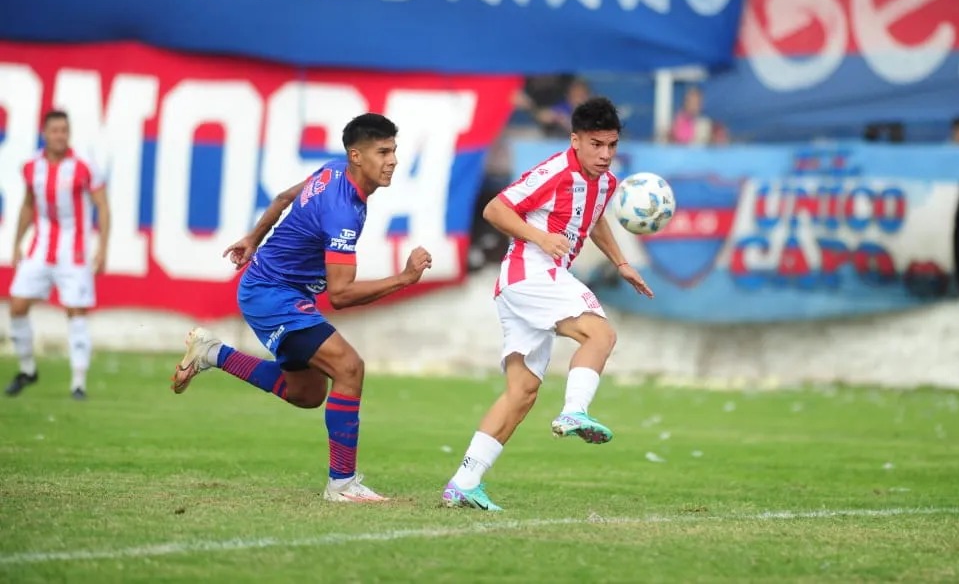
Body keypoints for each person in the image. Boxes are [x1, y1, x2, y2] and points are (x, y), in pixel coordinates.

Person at [170, 113, 432, 503]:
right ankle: (342, 485)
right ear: (356, 156)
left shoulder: (332, 170)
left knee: (307, 394)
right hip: (272, 293)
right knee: (349, 367)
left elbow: (282, 199)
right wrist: (404, 279)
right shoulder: (342, 212)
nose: (393, 159)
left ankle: (213, 353)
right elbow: (340, 295)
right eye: (383, 151)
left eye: (394, 150)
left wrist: (253, 238)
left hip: (277, 290)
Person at [441, 97, 653, 511]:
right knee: (600, 333)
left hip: (522, 285)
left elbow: (594, 220)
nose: (605, 155)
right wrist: (540, 238)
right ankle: (575, 411)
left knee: (521, 393)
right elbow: (494, 208)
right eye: (596, 144)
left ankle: (463, 483)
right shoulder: (555, 171)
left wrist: (622, 262)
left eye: (611, 145)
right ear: (575, 140)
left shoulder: (606, 182)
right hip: (532, 272)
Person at [6, 110, 110, 401]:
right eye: (55, 130)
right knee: (17, 307)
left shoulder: (83, 167)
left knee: (75, 313)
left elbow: (102, 205)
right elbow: (28, 204)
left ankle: (78, 382)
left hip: (73, 252)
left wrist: (102, 246)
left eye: (64, 130)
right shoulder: (31, 167)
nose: (60, 135)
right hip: (40, 247)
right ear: (45, 133)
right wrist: (17, 242)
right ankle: (28, 370)